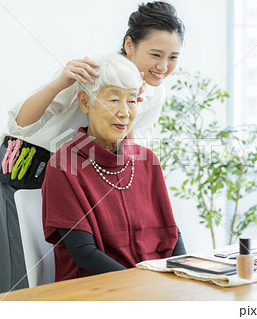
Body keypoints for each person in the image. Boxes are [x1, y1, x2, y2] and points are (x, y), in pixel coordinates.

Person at [0, 1, 185, 294]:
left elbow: (131, 150)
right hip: (34, 162)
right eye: (156, 54)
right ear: (130, 45)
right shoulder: (92, 70)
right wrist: (61, 82)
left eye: (173, 57)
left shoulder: (154, 92)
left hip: (91, 166)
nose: (163, 66)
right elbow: (20, 124)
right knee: (24, 274)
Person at [42, 53, 186, 281]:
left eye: (131, 100)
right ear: (85, 102)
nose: (124, 112)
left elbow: (173, 235)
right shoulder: (64, 166)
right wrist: (140, 287)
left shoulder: (147, 161)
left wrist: (182, 277)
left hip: (153, 288)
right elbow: (84, 253)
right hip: (96, 292)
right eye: (113, 99)